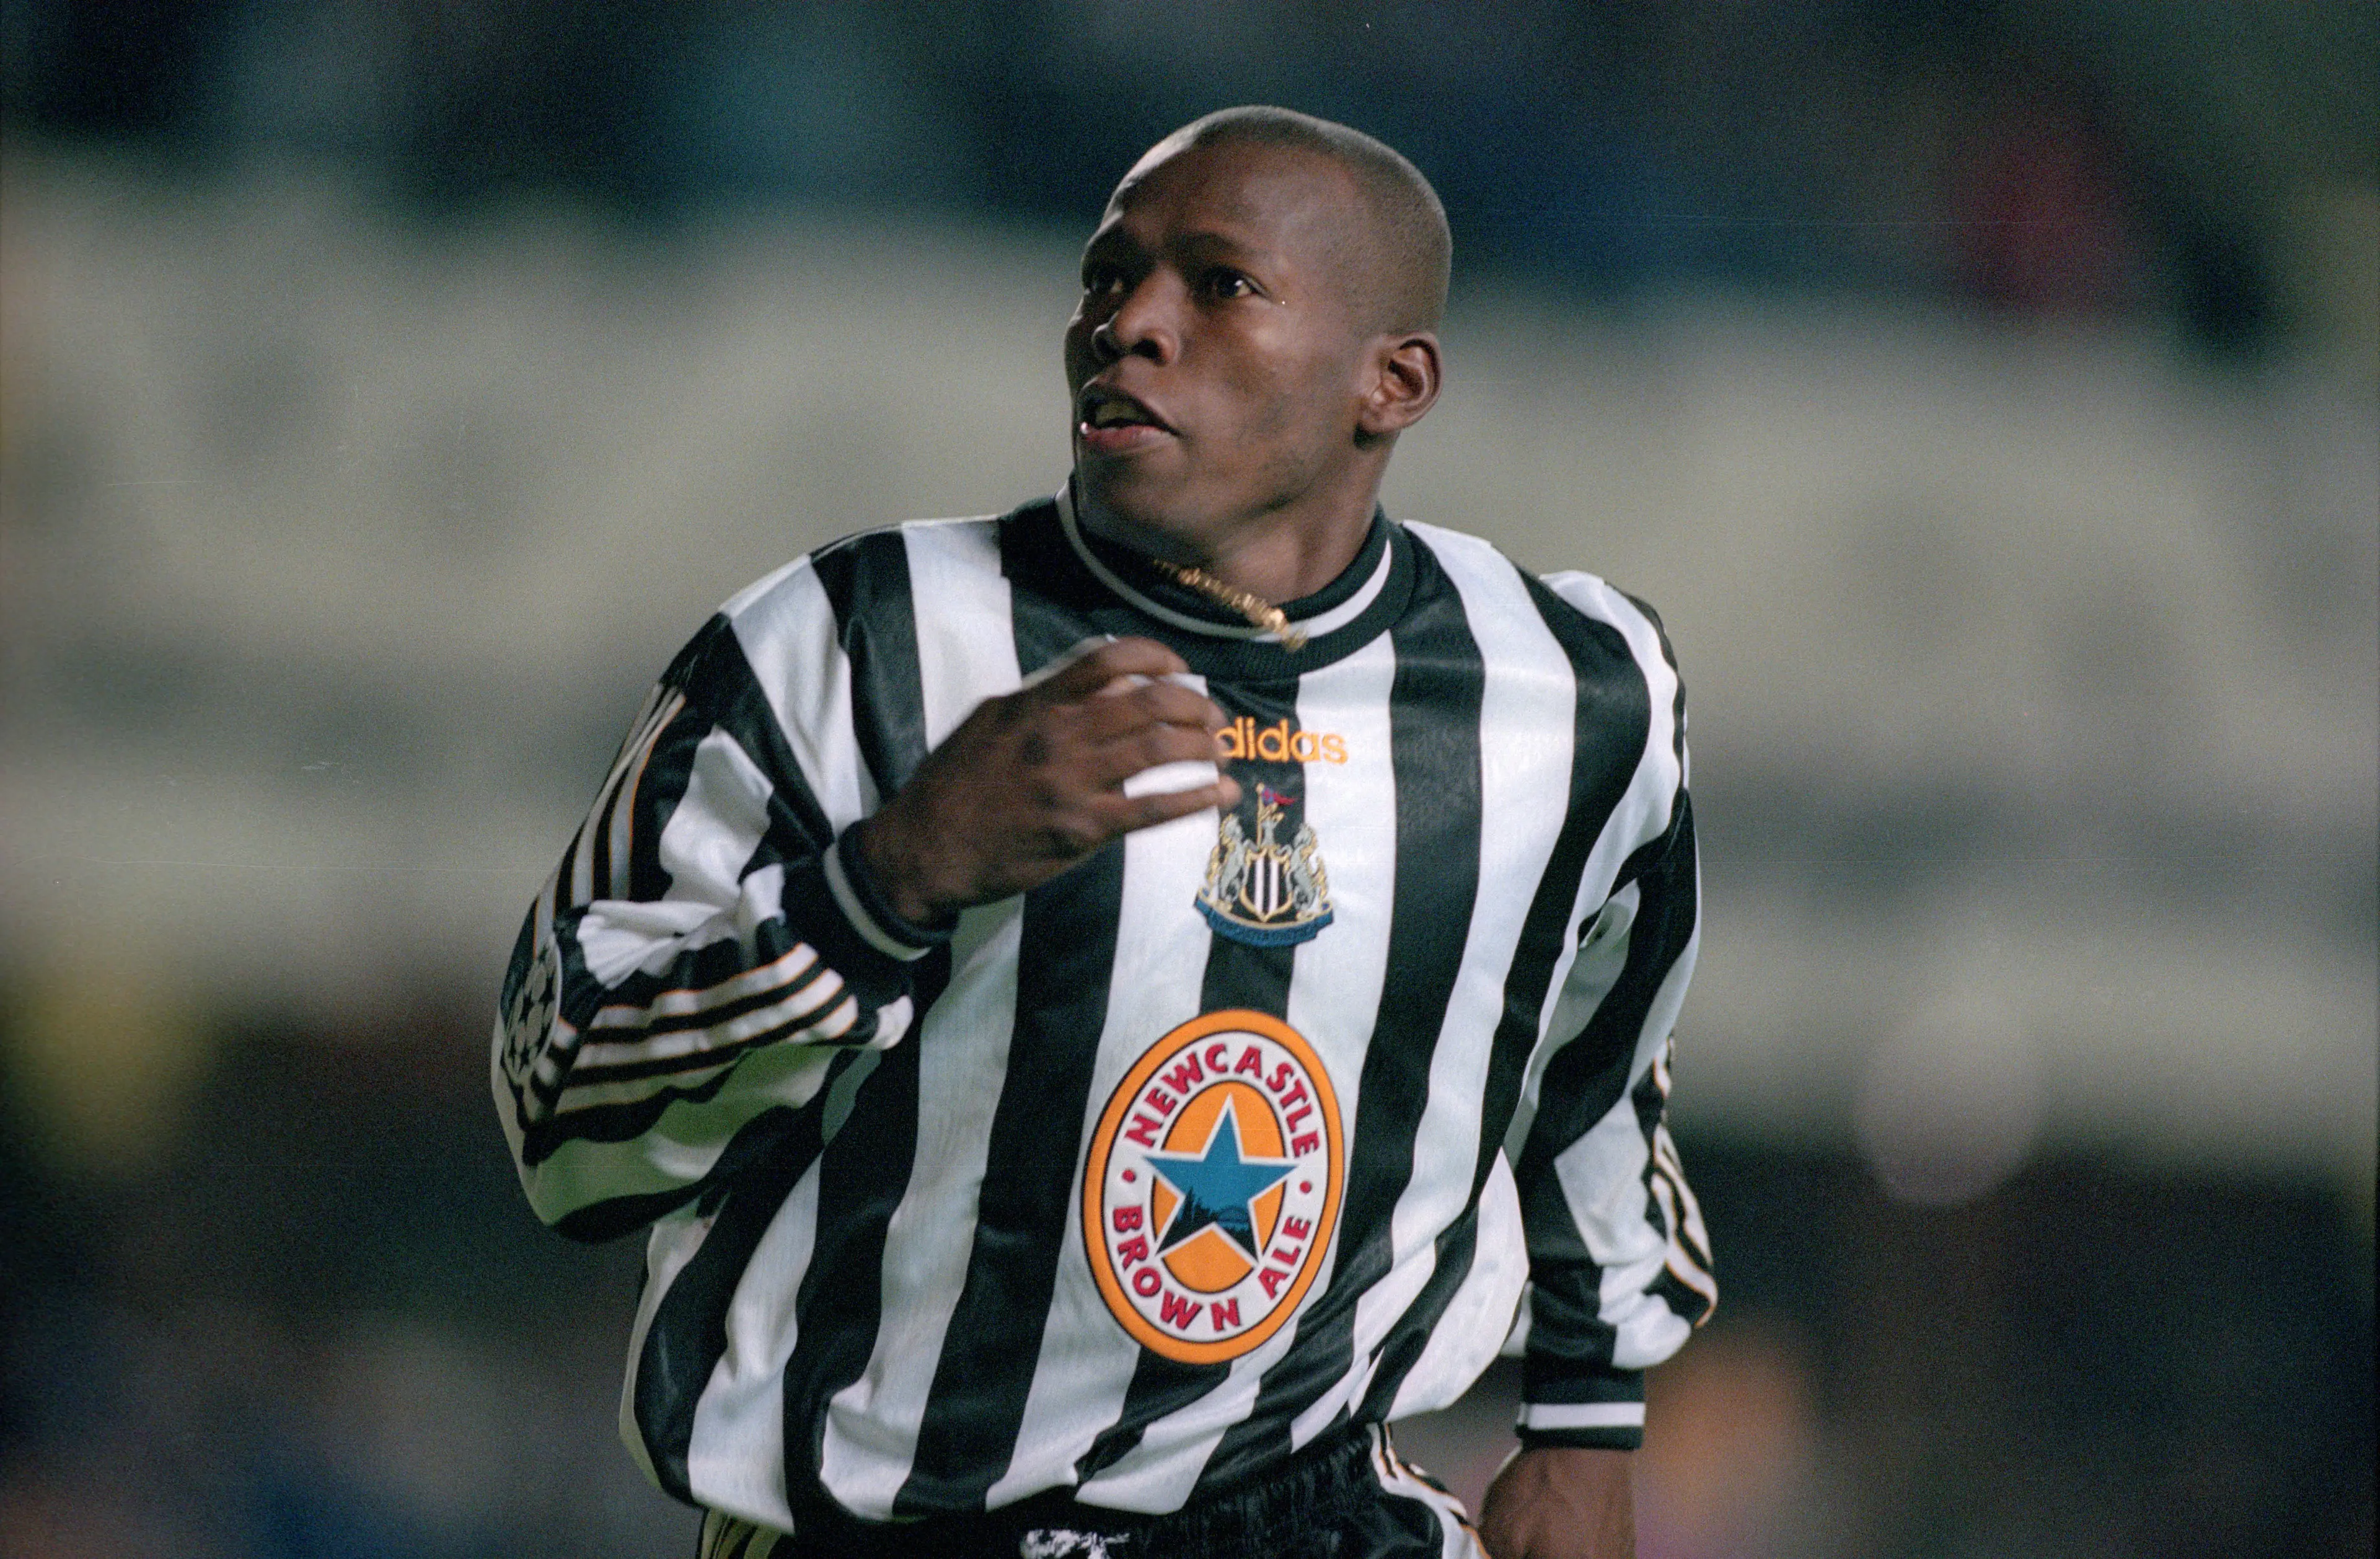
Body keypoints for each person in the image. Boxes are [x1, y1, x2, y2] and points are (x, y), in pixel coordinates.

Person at [493, 106, 1713, 1559]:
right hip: (890, 1525)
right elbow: (564, 1120)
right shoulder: (846, 644)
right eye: (1106, 277)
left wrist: (1584, 1414)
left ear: (1391, 383)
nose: (1126, 325)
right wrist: (893, 880)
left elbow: (1589, 1062)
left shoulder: (1576, 695)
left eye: (1219, 283)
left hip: (1311, 1516)